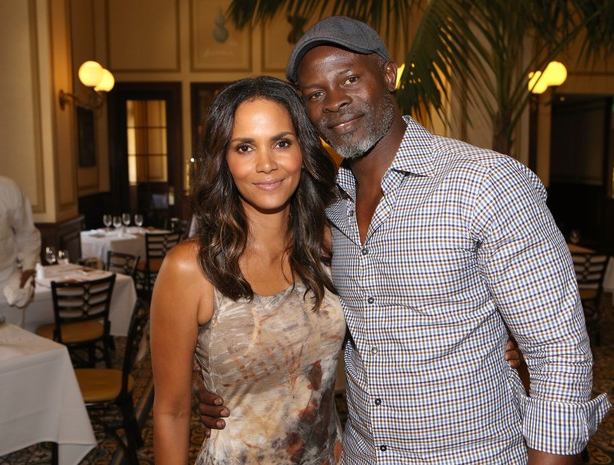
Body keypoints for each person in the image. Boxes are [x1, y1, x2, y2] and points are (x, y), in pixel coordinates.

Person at [198, 16, 611, 464]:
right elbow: (265, 312)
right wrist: (217, 387)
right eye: (314, 94)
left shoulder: (485, 182)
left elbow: (559, 354)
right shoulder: (323, 208)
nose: (334, 102)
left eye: (350, 78)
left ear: (389, 75)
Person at [150, 76, 345, 464]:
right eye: (245, 147)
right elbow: (171, 413)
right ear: (225, 159)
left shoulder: (331, 247)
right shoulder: (190, 269)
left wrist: (504, 338)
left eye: (281, 142)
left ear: (303, 151)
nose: (266, 164)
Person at [0, 173, 41, 327]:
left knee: (14, 346)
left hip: (4, 289)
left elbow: (27, 234)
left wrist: (28, 269)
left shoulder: (7, 189)